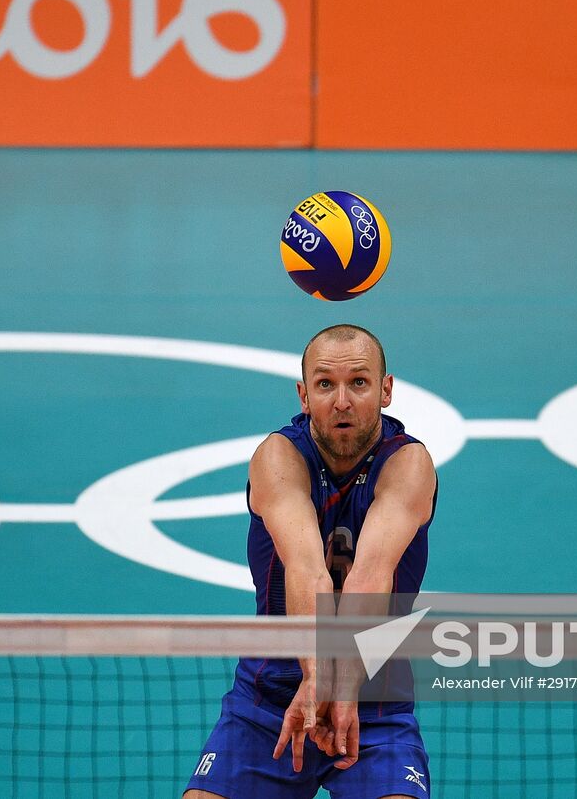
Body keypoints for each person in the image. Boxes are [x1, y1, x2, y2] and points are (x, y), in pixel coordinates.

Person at [184, 324, 438, 799]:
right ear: (304, 395)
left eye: (359, 383)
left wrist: (338, 686)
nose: (342, 401)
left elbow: (369, 574)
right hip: (266, 700)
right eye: (325, 385)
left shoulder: (408, 465)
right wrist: (317, 678)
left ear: (386, 390)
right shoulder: (278, 458)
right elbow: (306, 569)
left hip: (374, 702)